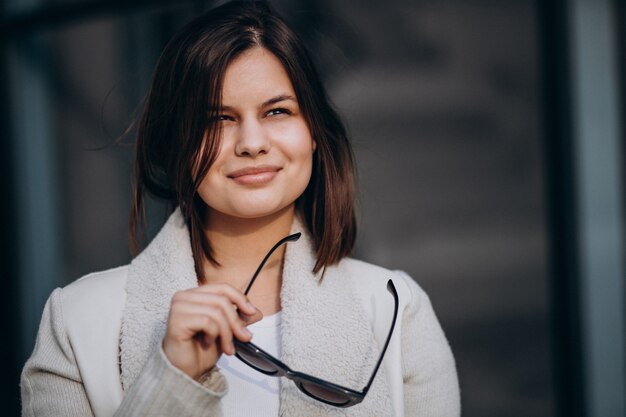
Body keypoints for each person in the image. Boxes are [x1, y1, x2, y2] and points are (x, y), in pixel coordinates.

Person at [20, 1, 460, 416]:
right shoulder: (77, 323)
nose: (252, 143)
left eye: (277, 112)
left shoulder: (396, 310)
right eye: (218, 119)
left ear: (313, 133)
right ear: (178, 144)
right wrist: (169, 381)